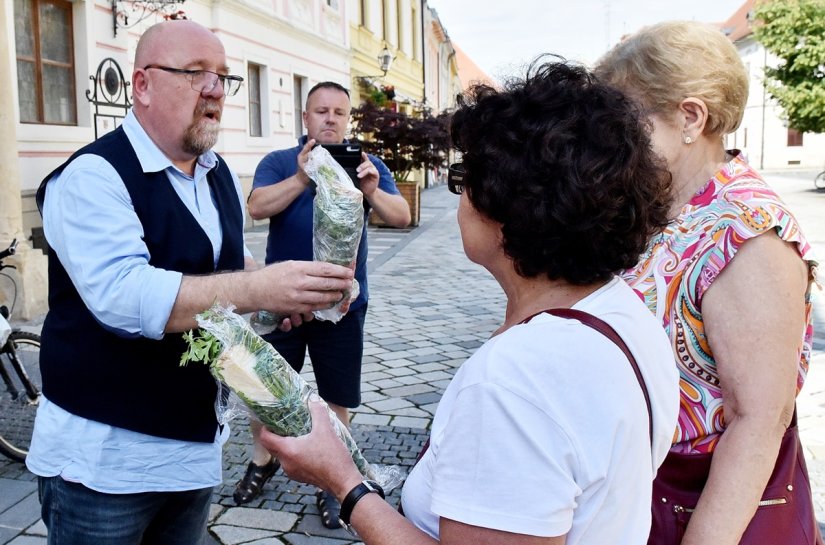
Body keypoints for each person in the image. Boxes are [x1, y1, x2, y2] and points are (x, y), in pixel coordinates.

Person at [258, 60, 681, 544]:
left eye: (464, 177)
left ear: (504, 206)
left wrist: (344, 482)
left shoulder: (513, 382)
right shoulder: (623, 312)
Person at [27, 20, 353, 545]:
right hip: (107, 466)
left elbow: (232, 267)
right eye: (194, 73)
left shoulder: (216, 170)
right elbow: (123, 296)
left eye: (223, 77)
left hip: (194, 454)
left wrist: (297, 292)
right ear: (142, 85)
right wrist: (260, 288)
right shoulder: (93, 176)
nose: (215, 90)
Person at [594, 21, 820, 545]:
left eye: (625, 120)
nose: (611, 141)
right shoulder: (660, 205)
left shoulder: (747, 230)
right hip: (643, 490)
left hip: (696, 505)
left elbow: (758, 420)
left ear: (690, 117)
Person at [238, 81, 410, 526]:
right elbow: (256, 207)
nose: (330, 118)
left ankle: (334, 482)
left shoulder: (367, 164)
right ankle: (263, 460)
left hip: (342, 308)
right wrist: (301, 175)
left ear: (347, 119)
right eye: (321, 111)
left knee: (337, 398)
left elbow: (401, 216)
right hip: (281, 305)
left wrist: (371, 189)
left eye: (338, 112)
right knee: (266, 395)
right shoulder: (279, 161)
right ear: (305, 118)